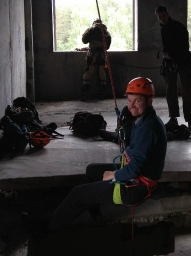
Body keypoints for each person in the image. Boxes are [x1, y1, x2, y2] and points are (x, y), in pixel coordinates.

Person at [46, 77, 167, 232]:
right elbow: (134, 148)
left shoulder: (147, 128)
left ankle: (46, 229)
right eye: (129, 100)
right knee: (92, 170)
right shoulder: (145, 120)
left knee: (77, 193)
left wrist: (113, 175)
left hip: (135, 187)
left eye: (137, 101)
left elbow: (134, 170)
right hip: (137, 175)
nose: (131, 106)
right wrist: (125, 131)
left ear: (150, 100)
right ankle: (94, 210)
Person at [154, 5, 191, 131]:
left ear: (168, 14)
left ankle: (190, 121)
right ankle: (173, 118)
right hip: (171, 62)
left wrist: (171, 56)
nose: (162, 19)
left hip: (183, 61)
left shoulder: (179, 27)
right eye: (159, 17)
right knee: (170, 90)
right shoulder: (163, 29)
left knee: (186, 91)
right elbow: (167, 46)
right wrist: (165, 54)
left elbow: (184, 47)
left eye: (163, 16)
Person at [80, 19, 111, 101]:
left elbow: (84, 40)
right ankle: (102, 94)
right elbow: (107, 46)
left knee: (88, 73)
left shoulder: (91, 29)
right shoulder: (106, 32)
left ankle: (85, 95)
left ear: (94, 23)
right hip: (102, 55)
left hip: (92, 54)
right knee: (102, 74)